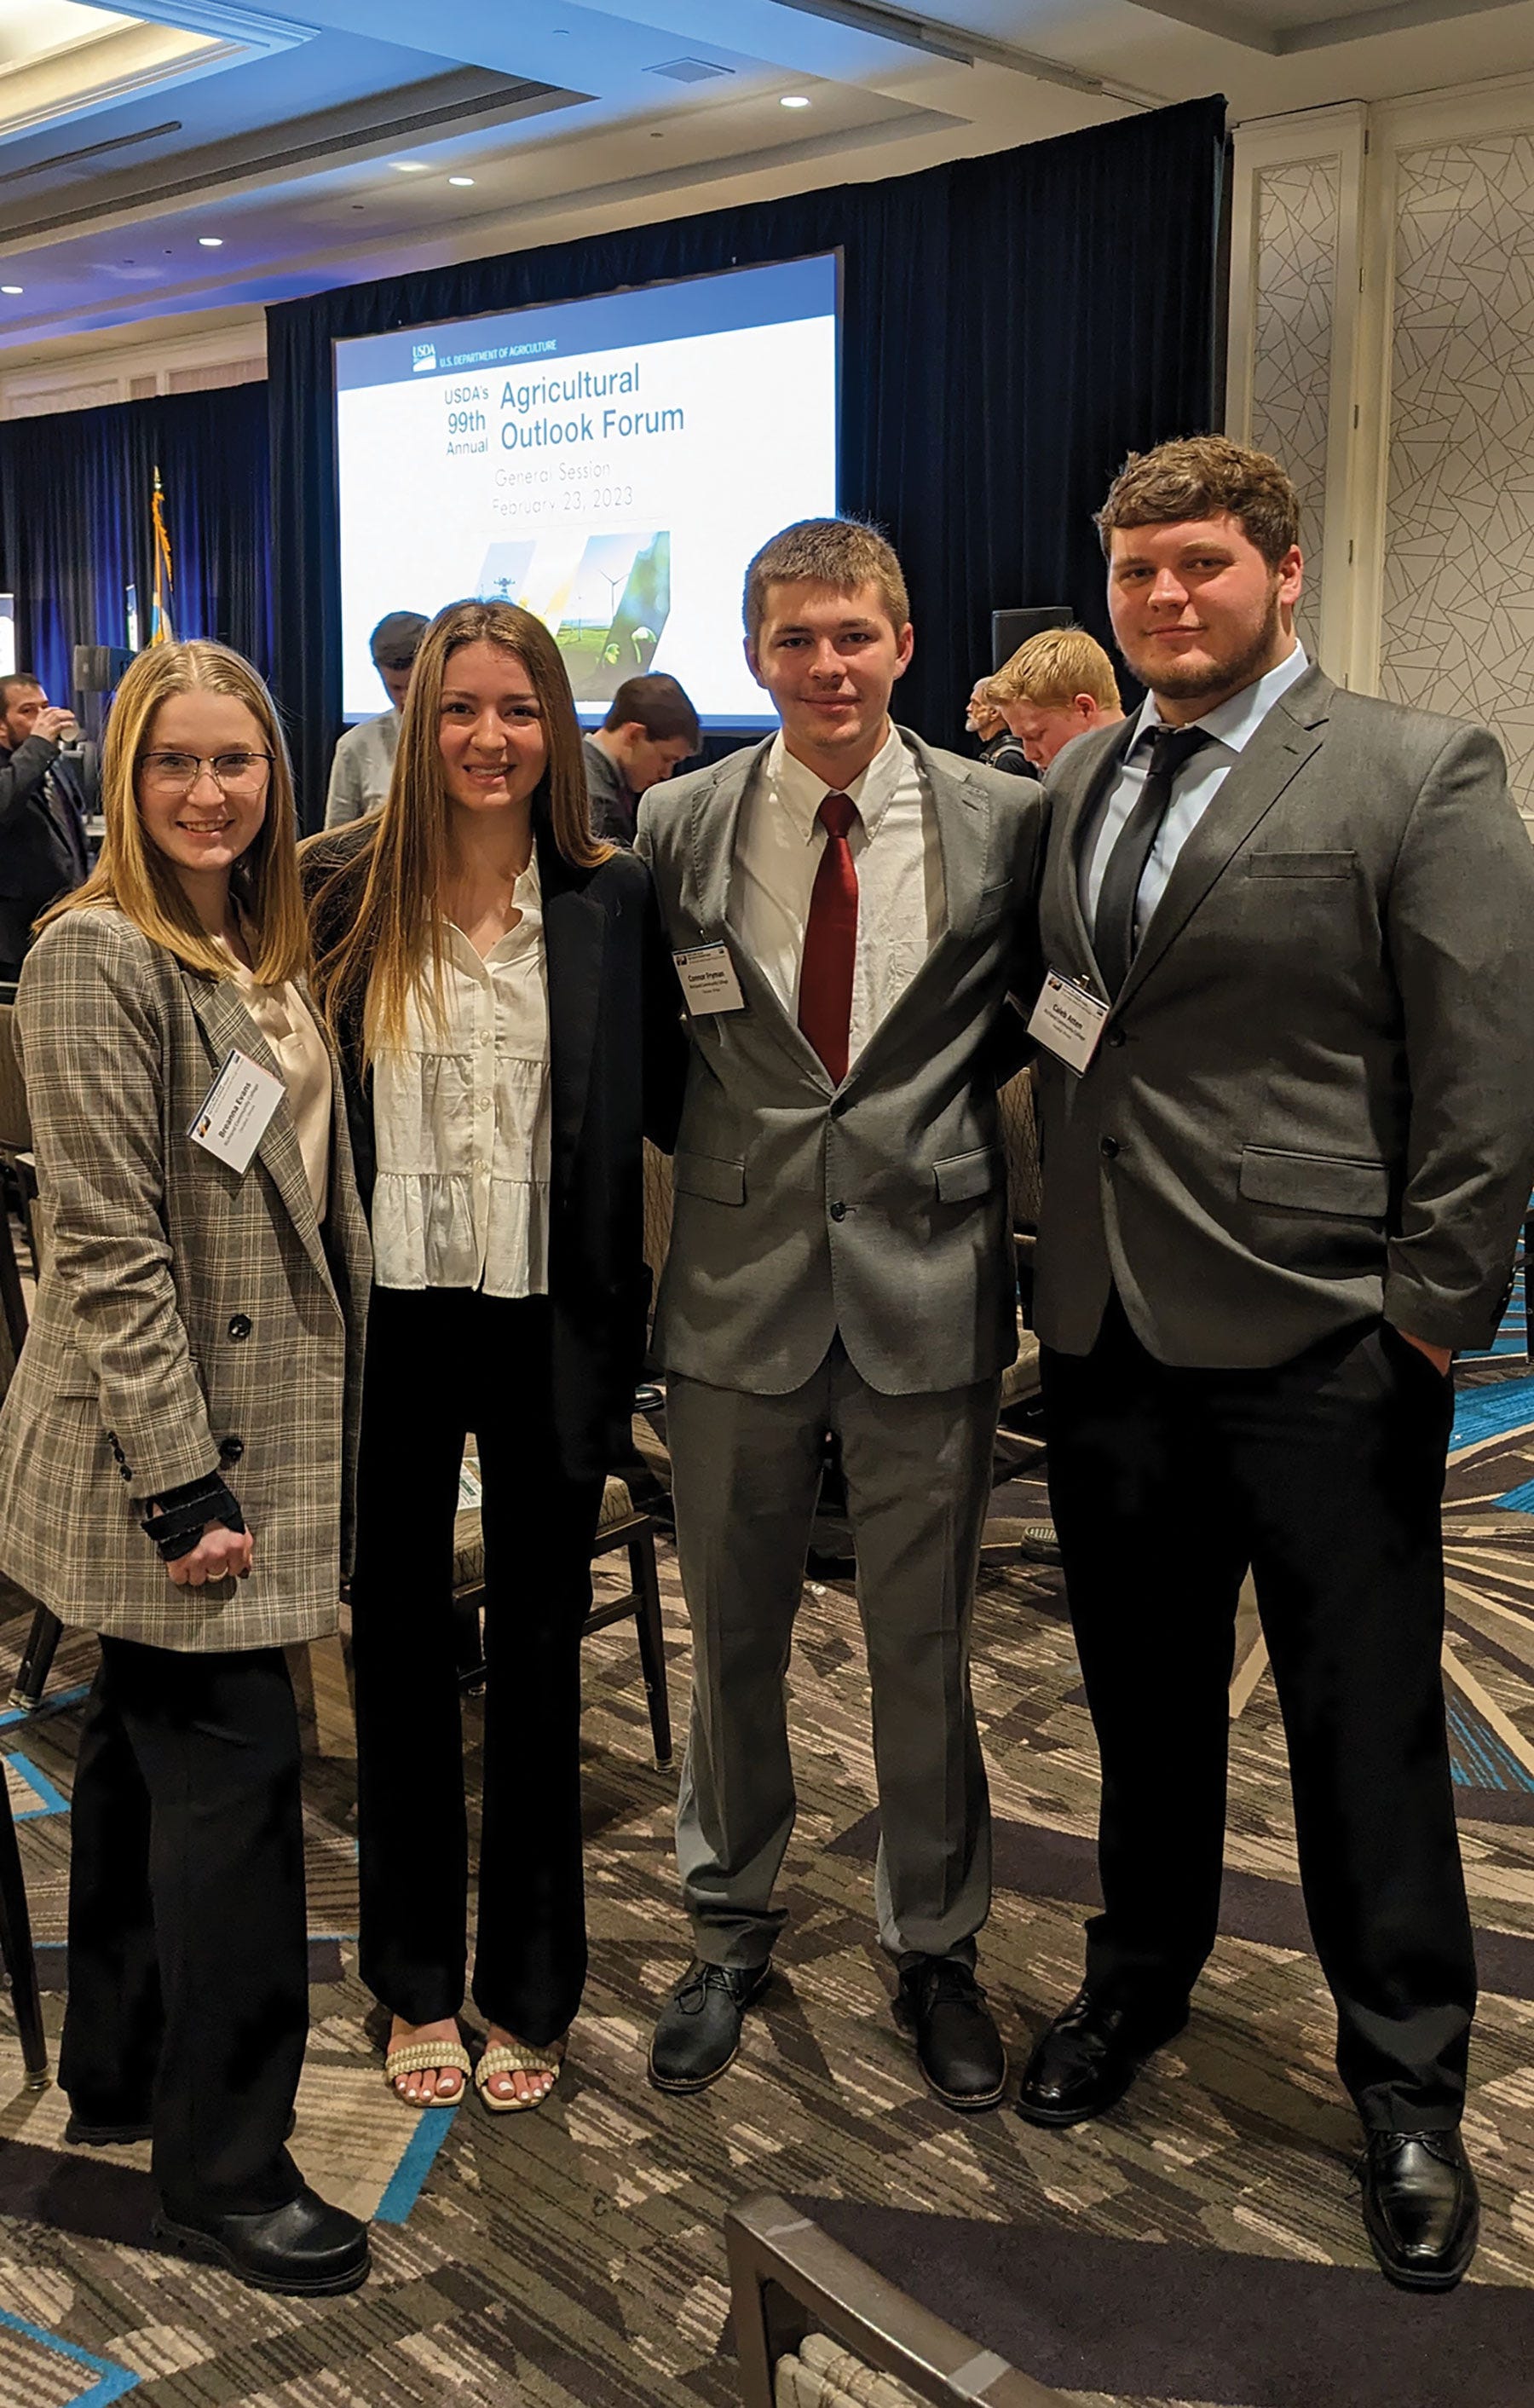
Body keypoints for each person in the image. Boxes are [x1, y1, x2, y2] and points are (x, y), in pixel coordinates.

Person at [1017, 435, 1534, 2292]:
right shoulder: (1083, 780)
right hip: (1107, 1336)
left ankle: (1406, 2079)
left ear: (1284, 571)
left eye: (1202, 566)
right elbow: (1080, 1026)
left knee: (1363, 1726)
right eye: (1138, 571)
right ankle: (1134, 1981)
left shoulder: (1417, 765)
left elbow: (1485, 1066)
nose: (1166, 599)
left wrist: (1426, 1308)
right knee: (1142, 1704)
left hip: (1325, 1333)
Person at [637, 518, 1042, 2111]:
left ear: (906, 643)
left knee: (924, 1643)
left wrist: (918, 1152)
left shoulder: (1004, 819)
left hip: (928, 1285)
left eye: (854, 635)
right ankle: (728, 1925)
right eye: (796, 639)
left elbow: (1016, 1024)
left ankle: (934, 1943)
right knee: (731, 1631)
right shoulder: (677, 823)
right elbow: (660, 1054)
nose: (827, 666)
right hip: (735, 1291)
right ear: (756, 655)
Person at [0, 641, 373, 2296]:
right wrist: (183, 1486)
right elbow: (104, 1241)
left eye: (237, 761)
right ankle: (227, 2160)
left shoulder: (250, 939)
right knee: (238, 1802)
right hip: (173, 1456)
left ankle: (115, 2064)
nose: (211, 790)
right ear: (124, 780)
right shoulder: (96, 952)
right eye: (176, 763)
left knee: (149, 1759)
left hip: (246, 1427)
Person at [303, 598, 684, 2117]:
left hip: (551, 1319)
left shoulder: (612, 900)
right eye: (457, 709)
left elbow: (677, 1103)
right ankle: (410, 1982)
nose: (486, 737)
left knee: (536, 1650)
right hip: (389, 1321)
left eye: (517, 708)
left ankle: (529, 1982)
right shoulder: (335, 896)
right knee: (395, 1651)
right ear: (413, 726)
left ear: (556, 727)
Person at [0, 672, 92, 981]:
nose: (43, 718)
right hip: (15, 941)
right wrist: (38, 745)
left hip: (66, 925)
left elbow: (75, 837)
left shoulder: (54, 764)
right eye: (28, 711)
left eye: (45, 707)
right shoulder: (22, 766)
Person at [324, 611, 428, 829]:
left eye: (414, 685)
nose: (406, 698)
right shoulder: (355, 745)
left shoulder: (465, 737)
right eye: (395, 687)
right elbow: (335, 841)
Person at [582, 673, 701, 846]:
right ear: (634, 735)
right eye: (666, 759)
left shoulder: (583, 771)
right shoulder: (598, 804)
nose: (667, 774)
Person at [989, 627, 1123, 771]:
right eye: (1021, 740)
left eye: (1036, 735)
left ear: (1084, 709)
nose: (1029, 755)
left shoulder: (1144, 783)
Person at [965, 678, 1029, 775]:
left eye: (976, 703)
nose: (968, 708)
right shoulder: (996, 753)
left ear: (994, 713)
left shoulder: (1008, 759)